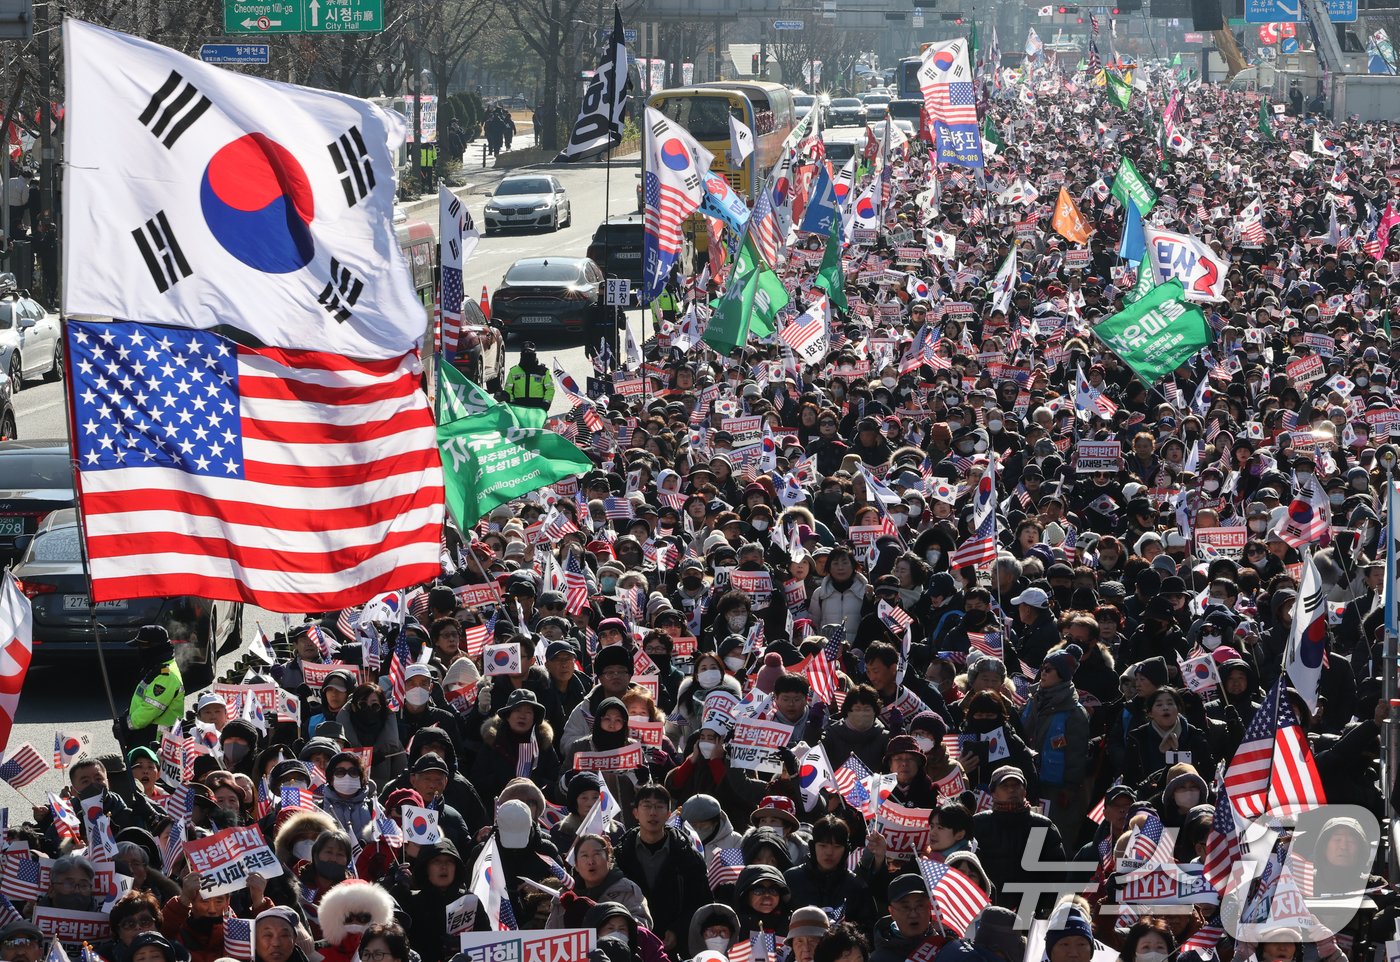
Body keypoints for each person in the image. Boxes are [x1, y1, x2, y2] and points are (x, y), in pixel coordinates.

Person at [121, 626, 183, 750]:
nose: (140, 650)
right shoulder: (155, 667)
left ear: (155, 648)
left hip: (155, 739)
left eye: (142, 647)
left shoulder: (166, 675)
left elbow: (150, 708)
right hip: (146, 734)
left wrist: (126, 724)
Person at [505, 342, 555, 410]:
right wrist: (511, 403)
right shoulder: (513, 371)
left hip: (538, 408)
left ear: (534, 355)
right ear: (521, 355)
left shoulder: (543, 371)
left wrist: (546, 404)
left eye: (530, 353)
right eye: (525, 353)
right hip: (518, 408)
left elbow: (550, 389)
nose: (527, 355)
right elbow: (508, 389)